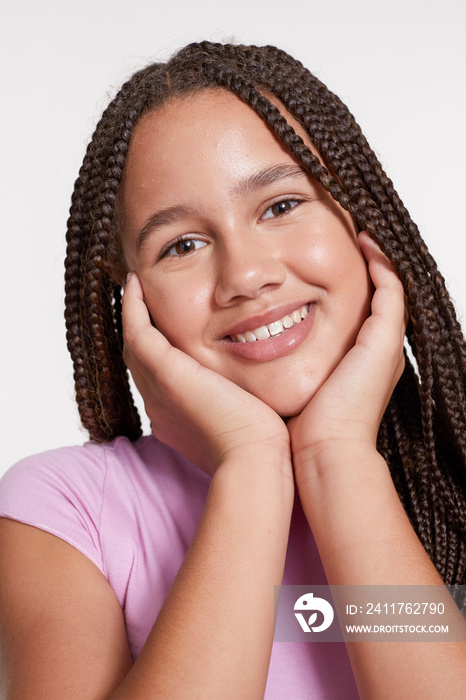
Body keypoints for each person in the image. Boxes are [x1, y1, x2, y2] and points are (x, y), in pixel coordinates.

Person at [1, 40, 466, 699]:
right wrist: (252, 469)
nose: (246, 275)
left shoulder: (455, 481)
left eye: (280, 206)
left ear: (360, 215)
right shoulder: (63, 511)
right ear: (131, 293)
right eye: (181, 245)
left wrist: (339, 461)